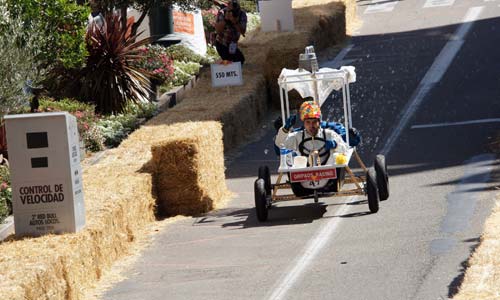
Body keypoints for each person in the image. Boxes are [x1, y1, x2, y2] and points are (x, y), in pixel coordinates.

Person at [275, 101, 348, 166]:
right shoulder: (298, 136)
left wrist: (336, 145)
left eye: (314, 122)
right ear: (304, 123)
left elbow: (345, 150)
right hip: (305, 175)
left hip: (328, 174)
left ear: (319, 122)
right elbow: (280, 143)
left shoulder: (329, 134)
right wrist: (285, 129)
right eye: (308, 122)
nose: (311, 125)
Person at [214, 0, 247, 64]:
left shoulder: (242, 14)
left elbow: (243, 31)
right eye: (231, 10)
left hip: (233, 43)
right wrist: (226, 20)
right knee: (229, 62)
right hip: (222, 43)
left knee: (240, 60)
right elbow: (218, 30)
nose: (233, 12)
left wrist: (235, 22)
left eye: (235, 10)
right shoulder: (222, 12)